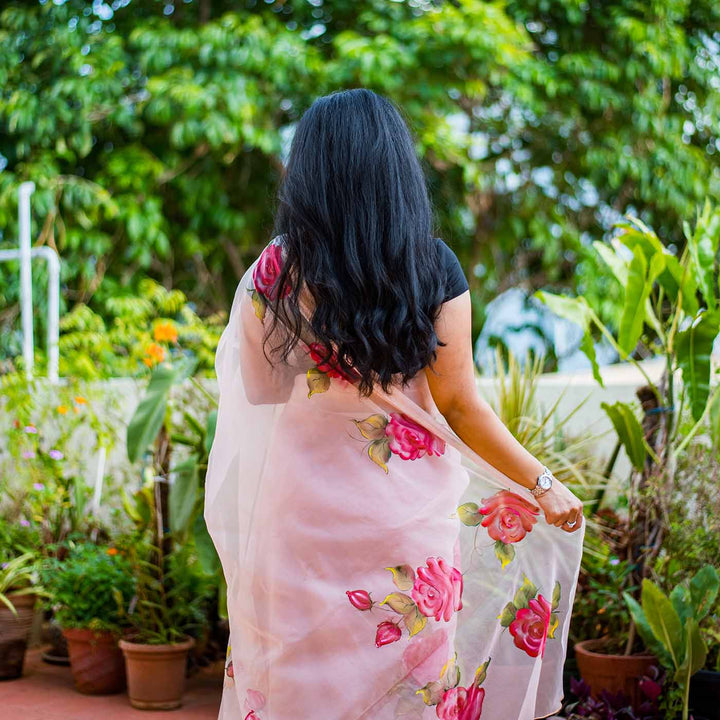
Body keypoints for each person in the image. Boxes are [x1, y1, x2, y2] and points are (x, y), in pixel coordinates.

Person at [205, 88, 584, 720]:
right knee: (410, 696)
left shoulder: (274, 273)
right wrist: (541, 483)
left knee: (302, 697)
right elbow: (462, 407)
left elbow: (261, 393)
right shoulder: (432, 268)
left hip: (299, 528)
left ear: (308, 172)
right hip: (406, 523)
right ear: (397, 169)